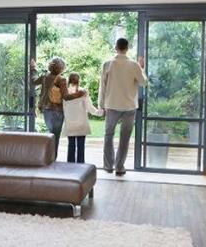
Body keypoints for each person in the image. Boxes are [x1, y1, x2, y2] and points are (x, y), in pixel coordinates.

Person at [98, 38, 147, 176]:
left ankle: (108, 166)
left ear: (116, 47)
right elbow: (143, 83)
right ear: (127, 48)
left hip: (112, 105)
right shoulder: (134, 65)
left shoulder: (107, 64)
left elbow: (103, 86)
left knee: (108, 135)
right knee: (124, 138)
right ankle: (119, 167)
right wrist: (142, 68)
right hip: (129, 107)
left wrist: (101, 105)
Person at [31, 57, 85, 158]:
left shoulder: (44, 77)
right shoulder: (61, 79)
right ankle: (52, 159)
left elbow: (33, 81)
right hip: (57, 111)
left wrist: (33, 68)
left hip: (46, 109)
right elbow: (66, 97)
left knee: (50, 135)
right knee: (55, 137)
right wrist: (79, 94)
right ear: (61, 68)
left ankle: (47, 158)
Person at [63, 72, 103, 163]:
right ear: (78, 81)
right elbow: (89, 108)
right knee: (81, 147)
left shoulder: (65, 94)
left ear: (69, 80)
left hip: (70, 125)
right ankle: (80, 168)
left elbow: (62, 108)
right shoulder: (83, 92)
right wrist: (99, 113)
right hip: (81, 124)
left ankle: (70, 167)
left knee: (71, 146)